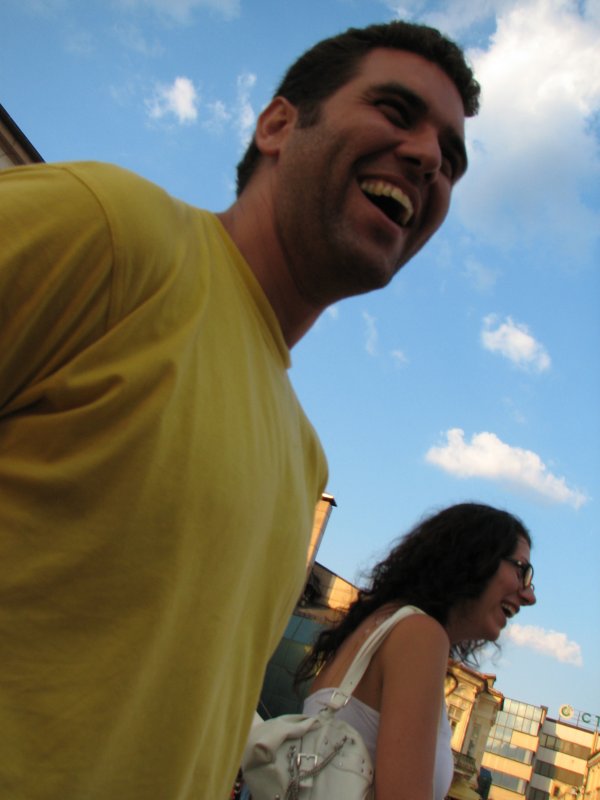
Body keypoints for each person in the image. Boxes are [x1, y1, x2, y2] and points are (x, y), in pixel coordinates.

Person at [0, 19, 480, 800]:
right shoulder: (110, 230)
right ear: (278, 126)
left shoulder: (303, 457)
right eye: (396, 111)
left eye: (451, 160)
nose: (429, 158)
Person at [297, 503, 537, 800]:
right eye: (522, 571)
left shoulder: (375, 627)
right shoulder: (420, 635)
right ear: (474, 556)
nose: (529, 596)